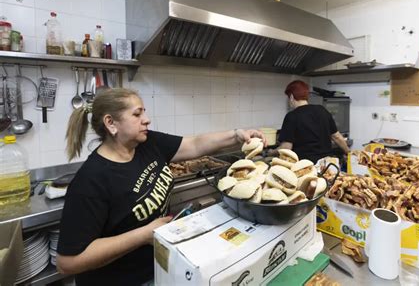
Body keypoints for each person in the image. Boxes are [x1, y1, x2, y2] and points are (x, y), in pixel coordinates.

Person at [56, 88, 266, 285]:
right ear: (111, 123)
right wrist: (144, 235)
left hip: (157, 267)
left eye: (144, 113)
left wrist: (237, 135)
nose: (146, 120)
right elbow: (68, 262)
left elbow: (195, 144)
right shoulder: (92, 180)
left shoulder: (148, 144)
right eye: (137, 115)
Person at [276, 80, 349, 163]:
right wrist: (349, 153)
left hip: (307, 167)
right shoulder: (322, 110)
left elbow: (286, 148)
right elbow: (337, 137)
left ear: (292, 97)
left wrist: (272, 152)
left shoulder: (292, 116)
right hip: (327, 164)